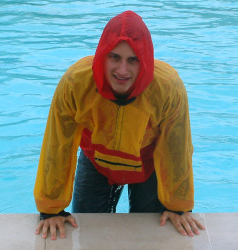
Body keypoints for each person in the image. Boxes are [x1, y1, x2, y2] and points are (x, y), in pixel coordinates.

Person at [34, 10, 205, 240]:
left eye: (133, 59)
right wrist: (50, 209)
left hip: (148, 165)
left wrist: (178, 205)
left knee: (151, 238)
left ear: (145, 59)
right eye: (114, 57)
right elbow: (57, 145)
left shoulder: (168, 88)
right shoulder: (76, 82)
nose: (122, 70)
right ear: (102, 55)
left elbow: (176, 149)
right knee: (88, 236)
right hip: (96, 162)